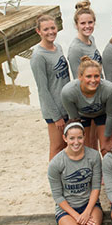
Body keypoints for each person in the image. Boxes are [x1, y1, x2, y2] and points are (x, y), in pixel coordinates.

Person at [47, 121, 104, 225]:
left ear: (85, 137)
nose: (76, 142)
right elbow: (58, 196)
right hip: (67, 210)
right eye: (72, 138)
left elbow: (95, 187)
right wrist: (77, 216)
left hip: (90, 205)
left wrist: (87, 212)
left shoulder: (94, 156)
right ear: (65, 138)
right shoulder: (56, 163)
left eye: (79, 137)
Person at [31, 14, 70, 160]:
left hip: (66, 106)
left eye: (53, 28)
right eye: (46, 29)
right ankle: (54, 178)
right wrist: (56, 117)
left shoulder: (58, 48)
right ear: (38, 31)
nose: (50, 32)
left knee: (68, 145)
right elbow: (42, 90)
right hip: (55, 112)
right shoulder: (38, 56)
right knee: (57, 146)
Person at [61, 57, 112, 156]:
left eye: (96, 76)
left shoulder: (109, 89)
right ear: (80, 76)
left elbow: (111, 115)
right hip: (81, 117)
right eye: (88, 76)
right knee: (86, 151)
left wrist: (108, 138)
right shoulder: (68, 92)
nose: (93, 80)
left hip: (102, 114)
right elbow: (74, 119)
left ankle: (109, 170)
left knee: (106, 149)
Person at [68, 0, 102, 79]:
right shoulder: (75, 49)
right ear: (76, 25)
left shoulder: (91, 39)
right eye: (83, 23)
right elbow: (78, 80)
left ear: (94, 22)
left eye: (90, 22)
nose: (87, 26)